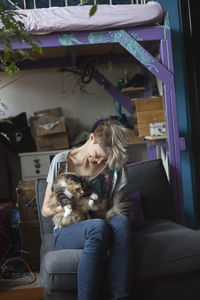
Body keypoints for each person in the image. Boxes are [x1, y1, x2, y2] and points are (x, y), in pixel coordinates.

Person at [42, 119, 134, 300]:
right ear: (91, 138)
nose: (99, 161)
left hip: (101, 218)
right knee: (97, 227)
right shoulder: (61, 161)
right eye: (98, 154)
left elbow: (117, 208)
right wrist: (68, 207)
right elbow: (45, 210)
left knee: (122, 223)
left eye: (104, 159)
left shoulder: (115, 165)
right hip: (69, 228)